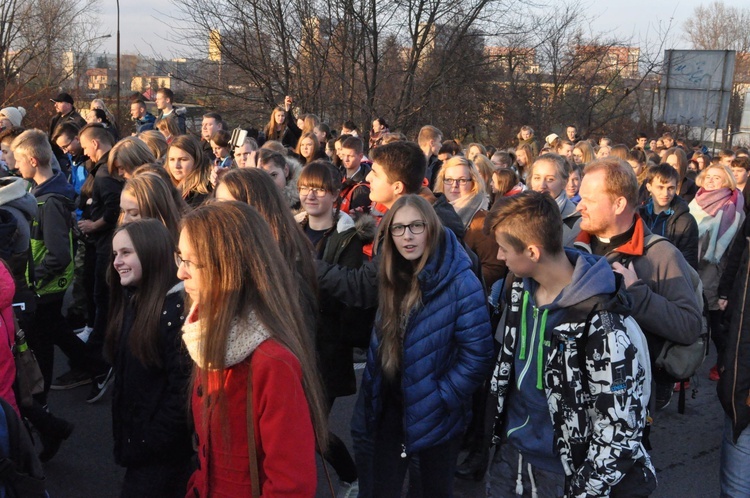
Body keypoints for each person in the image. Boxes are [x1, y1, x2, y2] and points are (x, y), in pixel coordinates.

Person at [484, 190, 655, 497]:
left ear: (533, 252)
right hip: (512, 456)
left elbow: (619, 427)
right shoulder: (518, 290)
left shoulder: (601, 321)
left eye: (503, 248)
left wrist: (584, 489)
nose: (499, 256)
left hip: (564, 472)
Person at [178, 201, 328, 496]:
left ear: (231, 267)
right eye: (179, 258)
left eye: (192, 263)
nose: (181, 273)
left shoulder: (272, 362)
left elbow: (291, 485)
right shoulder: (205, 339)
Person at [360, 194, 493, 497]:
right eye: (398, 228)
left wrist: (440, 397)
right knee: (382, 487)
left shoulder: (460, 281)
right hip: (390, 406)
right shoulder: (394, 274)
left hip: (438, 415)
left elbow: (478, 355)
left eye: (416, 226)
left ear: (431, 228)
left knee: (430, 490)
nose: (407, 236)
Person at [574, 157, 703, 411]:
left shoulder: (659, 254)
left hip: (629, 401)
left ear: (619, 203)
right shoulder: (572, 243)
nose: (580, 207)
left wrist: (638, 296)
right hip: (575, 390)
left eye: (589, 199)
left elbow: (689, 326)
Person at [295, 161, 368, 496]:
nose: (311, 194)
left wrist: (311, 274)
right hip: (292, 340)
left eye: (319, 189)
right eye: (305, 187)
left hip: (326, 348)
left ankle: (350, 476)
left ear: (336, 195)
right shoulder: (291, 231)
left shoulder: (347, 237)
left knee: (312, 428)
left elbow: (348, 291)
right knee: (292, 425)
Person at [107, 220, 193, 497]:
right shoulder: (135, 299)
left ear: (151, 252)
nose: (117, 262)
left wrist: (150, 440)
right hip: (142, 447)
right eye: (115, 255)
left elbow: (182, 392)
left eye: (125, 253)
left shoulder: (172, 312)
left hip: (161, 456)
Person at [689, 164, 744, 383]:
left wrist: (726, 289)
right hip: (692, 268)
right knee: (691, 321)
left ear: (727, 182)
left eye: (717, 178)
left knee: (715, 323)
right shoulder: (696, 201)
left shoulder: (732, 207)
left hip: (716, 273)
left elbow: (734, 251)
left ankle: (724, 363)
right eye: (708, 177)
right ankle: (685, 368)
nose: (711, 181)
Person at [434, 155, 503, 289]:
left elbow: (494, 268)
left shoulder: (482, 220)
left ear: (473, 182)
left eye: (462, 180)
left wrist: (458, 284)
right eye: (448, 180)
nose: (454, 185)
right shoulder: (435, 210)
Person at [639, 165, 699, 270]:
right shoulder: (638, 215)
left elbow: (689, 262)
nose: (665, 193)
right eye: (660, 187)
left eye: (670, 188)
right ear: (649, 187)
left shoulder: (686, 221)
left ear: (677, 188)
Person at [528, 154, 582, 247]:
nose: (542, 185)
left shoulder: (577, 220)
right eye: (537, 178)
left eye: (550, 179)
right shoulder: (518, 212)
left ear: (564, 182)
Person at [119, 173, 185, 243]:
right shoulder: (121, 244)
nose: (124, 220)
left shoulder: (183, 246)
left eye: (134, 214)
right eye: (123, 211)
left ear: (157, 213)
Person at [166, 135, 212, 208]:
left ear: (196, 161)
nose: (176, 165)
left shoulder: (203, 194)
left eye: (183, 159)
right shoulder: (165, 187)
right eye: (172, 159)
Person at [339, 136, 372, 214]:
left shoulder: (364, 187)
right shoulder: (337, 175)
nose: (346, 159)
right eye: (343, 155)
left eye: (350, 156)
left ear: (360, 156)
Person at [418, 125, 443, 189]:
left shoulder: (437, 164)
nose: (441, 145)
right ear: (431, 143)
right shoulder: (411, 163)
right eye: (439, 142)